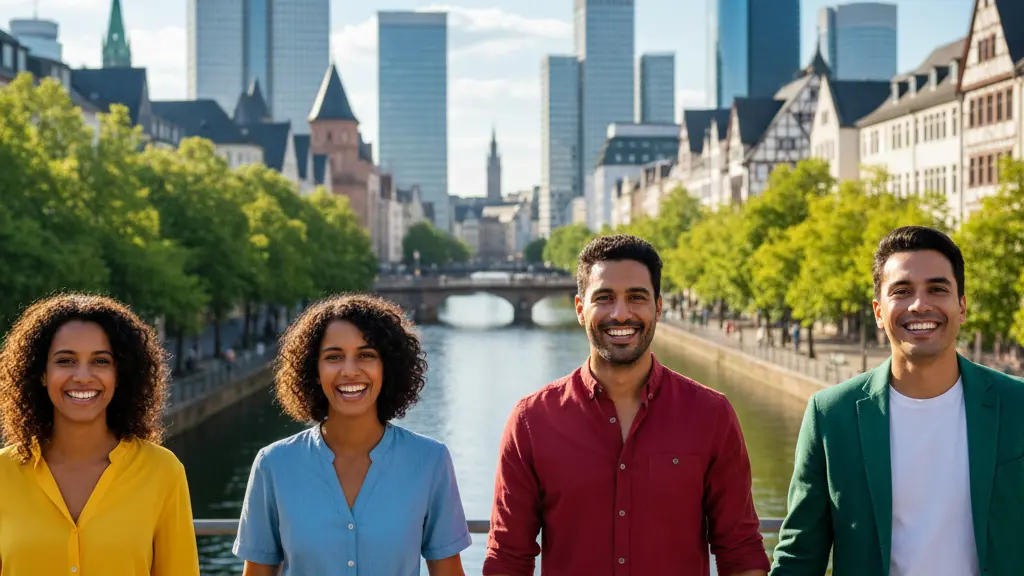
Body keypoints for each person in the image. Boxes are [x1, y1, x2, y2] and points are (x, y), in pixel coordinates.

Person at [483, 234, 770, 576]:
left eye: (636, 297)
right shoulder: (531, 421)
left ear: (658, 308)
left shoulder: (711, 415)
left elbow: (740, 551)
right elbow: (508, 558)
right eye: (604, 298)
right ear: (579, 309)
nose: (621, 314)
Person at [770, 226, 1024, 576]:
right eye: (902, 291)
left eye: (937, 289)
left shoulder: (1017, 405)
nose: (920, 304)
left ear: (962, 307)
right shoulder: (831, 416)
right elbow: (800, 555)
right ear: (878, 311)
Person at [233, 294, 471, 576]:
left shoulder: (431, 461)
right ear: (314, 370)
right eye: (333, 357)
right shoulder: (273, 465)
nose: (349, 371)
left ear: (388, 367)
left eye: (366, 355)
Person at [0, 293, 199, 575]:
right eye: (65, 361)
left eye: (101, 361)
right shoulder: (2, 474)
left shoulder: (163, 471)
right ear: (41, 373)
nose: (82, 376)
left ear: (120, 375)